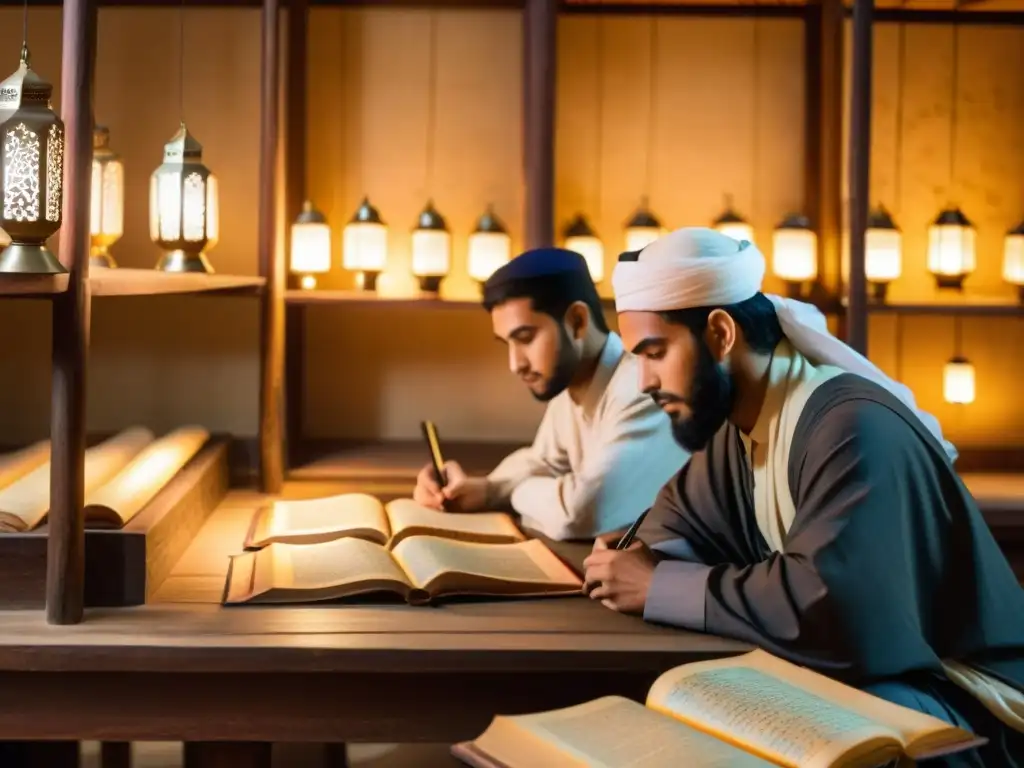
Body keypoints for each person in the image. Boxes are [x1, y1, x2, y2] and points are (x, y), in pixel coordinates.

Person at [582, 227, 1024, 765]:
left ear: (720, 334)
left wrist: (657, 583)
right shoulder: (740, 426)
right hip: (875, 680)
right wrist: (643, 562)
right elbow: (677, 524)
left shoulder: (847, 426)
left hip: (962, 700)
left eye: (654, 353)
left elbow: (830, 607)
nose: (644, 381)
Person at [412, 247, 687, 541]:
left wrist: (517, 491)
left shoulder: (642, 387)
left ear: (578, 322)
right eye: (507, 344)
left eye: (526, 338)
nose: (516, 364)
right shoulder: (570, 384)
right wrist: (484, 489)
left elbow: (579, 514)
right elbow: (542, 461)